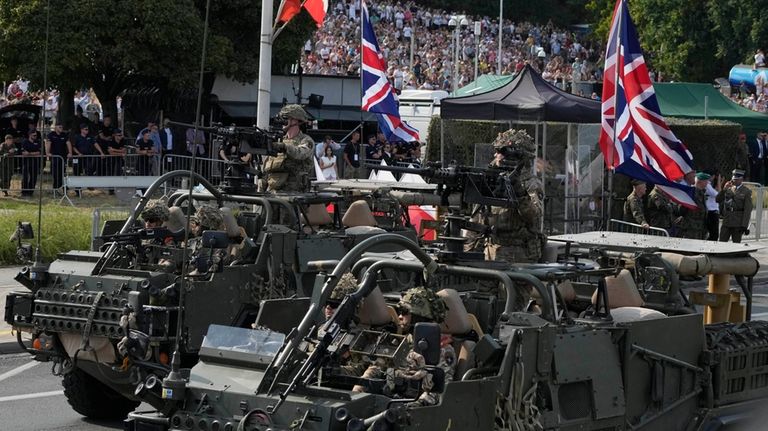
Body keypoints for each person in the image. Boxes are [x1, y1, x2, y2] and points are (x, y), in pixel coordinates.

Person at [352, 286, 455, 407]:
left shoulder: (442, 350)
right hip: (387, 401)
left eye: (405, 312)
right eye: (399, 311)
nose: (399, 316)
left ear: (419, 316)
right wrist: (358, 391)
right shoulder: (400, 341)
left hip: (413, 411)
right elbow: (377, 368)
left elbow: (436, 392)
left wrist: (413, 407)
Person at [484, 129, 545, 263]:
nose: (496, 155)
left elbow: (534, 216)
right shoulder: (493, 178)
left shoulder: (530, 183)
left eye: (501, 152)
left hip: (518, 254)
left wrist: (518, 191)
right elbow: (478, 216)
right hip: (492, 251)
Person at [262, 104, 314, 192]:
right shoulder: (279, 140)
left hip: (293, 194)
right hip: (272, 194)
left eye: (286, 118)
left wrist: (284, 147)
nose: (283, 121)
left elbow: (300, 153)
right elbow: (266, 169)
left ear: (297, 120)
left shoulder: (306, 140)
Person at [716, 169, 752, 243]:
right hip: (727, 220)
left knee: (736, 244)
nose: (733, 181)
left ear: (741, 179)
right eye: (733, 179)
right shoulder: (728, 189)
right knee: (721, 242)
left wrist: (744, 225)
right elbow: (718, 200)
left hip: (737, 222)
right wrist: (723, 190)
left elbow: (747, 210)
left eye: (736, 179)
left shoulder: (746, 191)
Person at [677, 172, 709, 239]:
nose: (707, 182)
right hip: (690, 228)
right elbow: (681, 210)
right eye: (706, 180)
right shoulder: (690, 192)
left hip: (700, 228)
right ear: (700, 181)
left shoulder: (702, 193)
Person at [45, 123, 71, 190]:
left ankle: (63, 188)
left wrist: (70, 153)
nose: (61, 128)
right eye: (60, 127)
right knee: (55, 173)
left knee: (62, 173)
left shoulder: (64, 135)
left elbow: (68, 143)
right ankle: (55, 188)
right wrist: (47, 152)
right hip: (55, 157)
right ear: (56, 128)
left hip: (63, 157)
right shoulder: (51, 135)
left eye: (62, 127)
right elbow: (48, 143)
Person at [20, 130, 42, 196]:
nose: (35, 136)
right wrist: (33, 153)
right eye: (34, 135)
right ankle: (24, 192)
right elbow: (23, 152)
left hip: (35, 162)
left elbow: (39, 152)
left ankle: (30, 192)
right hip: (26, 162)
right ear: (30, 135)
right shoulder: (25, 142)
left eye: (36, 135)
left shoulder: (38, 142)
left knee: (33, 177)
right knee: (25, 177)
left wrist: (29, 153)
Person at [704, 169, 720, 240]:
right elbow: (718, 195)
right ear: (713, 176)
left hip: (711, 211)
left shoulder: (708, 185)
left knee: (712, 234)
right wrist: (719, 182)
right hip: (711, 212)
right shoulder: (707, 184)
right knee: (714, 234)